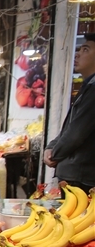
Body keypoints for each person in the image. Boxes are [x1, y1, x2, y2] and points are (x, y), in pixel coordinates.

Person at [44, 33, 95, 192]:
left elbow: (76, 133)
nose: (78, 54)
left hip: (80, 178)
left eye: (85, 50)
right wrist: (50, 147)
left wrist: (54, 154)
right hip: (75, 175)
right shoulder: (88, 86)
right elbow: (69, 128)